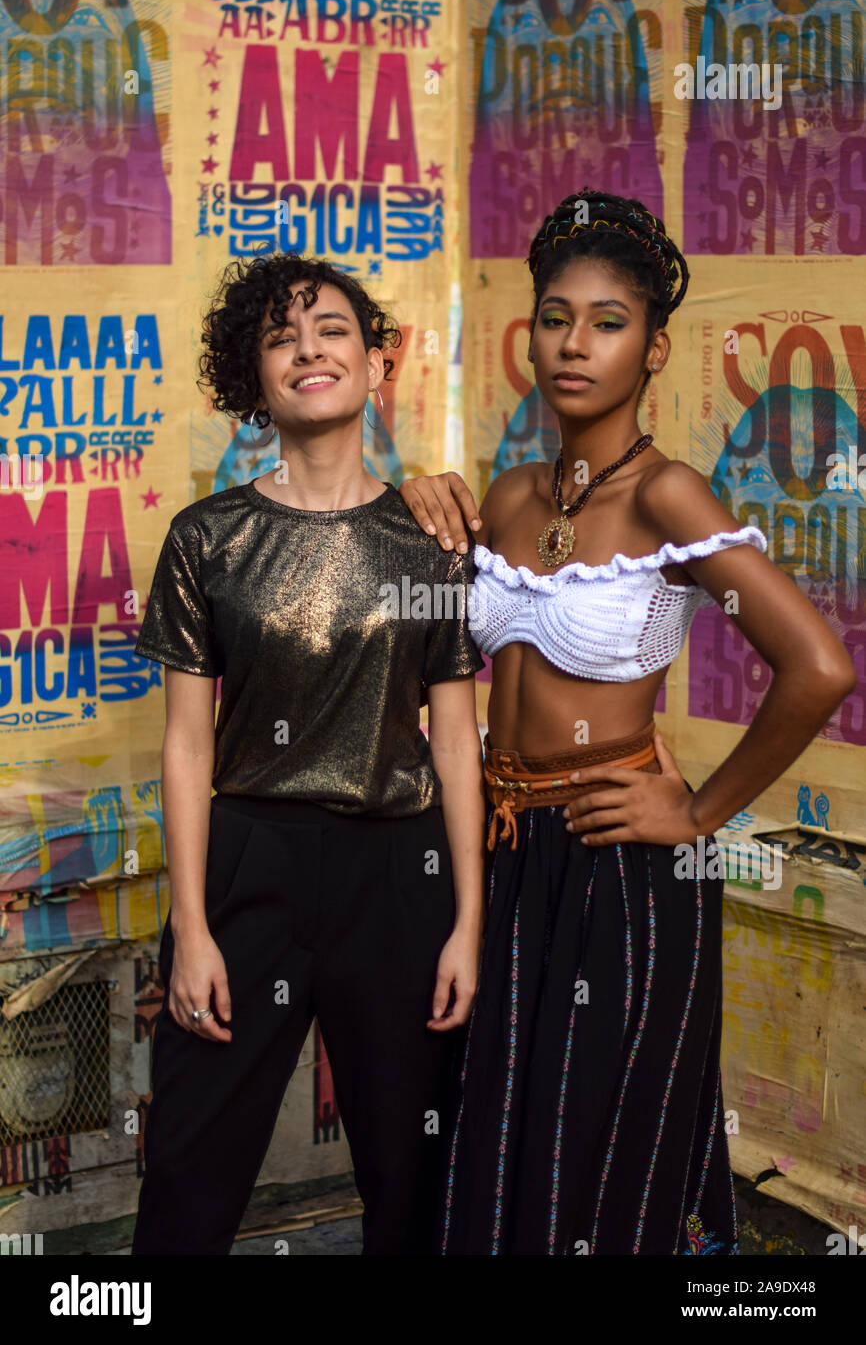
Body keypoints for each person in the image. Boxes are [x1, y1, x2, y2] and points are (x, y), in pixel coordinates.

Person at [397, 188, 857, 1255]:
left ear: (653, 350)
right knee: (497, 1127)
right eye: (555, 317)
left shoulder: (669, 500)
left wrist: (695, 809)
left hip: (613, 859)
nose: (574, 343)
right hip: (500, 857)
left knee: (592, 1149)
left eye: (608, 322)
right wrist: (415, 494)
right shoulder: (505, 497)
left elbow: (817, 665)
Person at [130, 254, 486, 1256]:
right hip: (249, 865)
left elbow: (454, 740)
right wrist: (190, 927)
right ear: (254, 381)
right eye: (281, 337)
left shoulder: (429, 541)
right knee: (190, 1172)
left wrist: (466, 920)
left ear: (377, 362)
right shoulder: (207, 538)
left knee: (409, 1171)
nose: (308, 349)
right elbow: (187, 740)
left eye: (331, 329)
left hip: (398, 872)